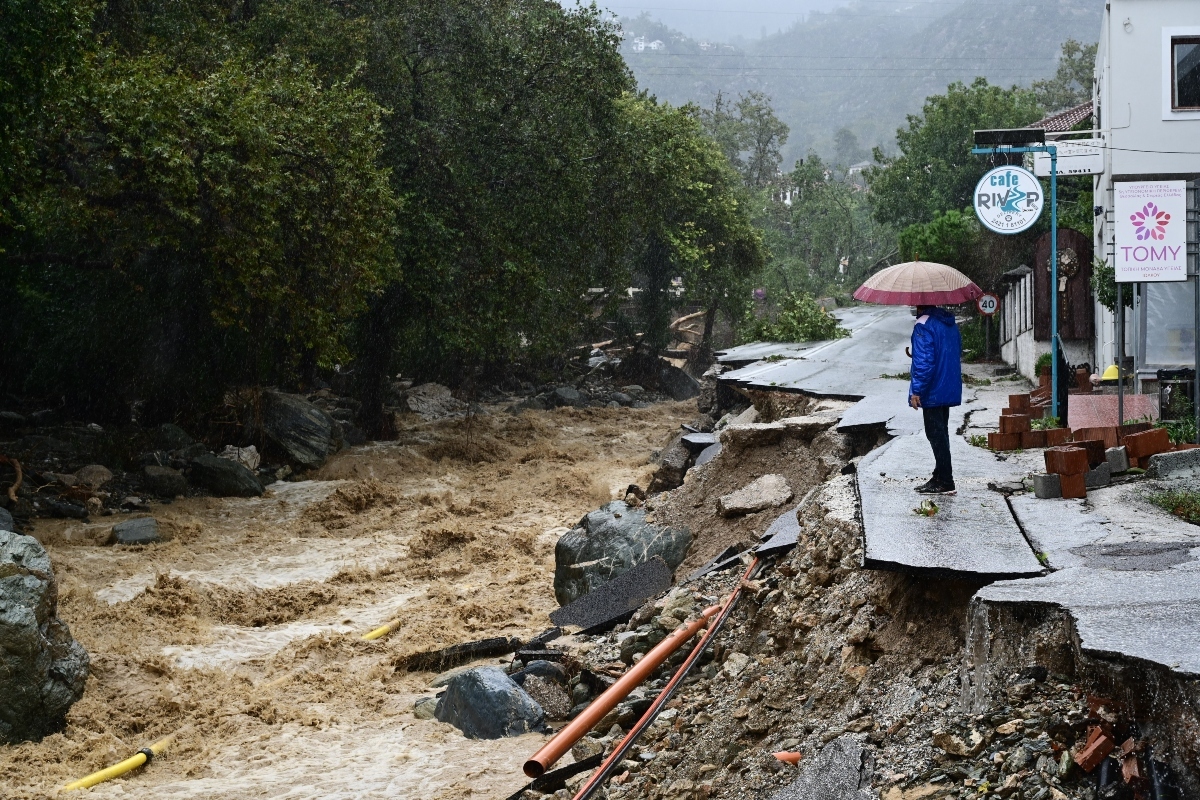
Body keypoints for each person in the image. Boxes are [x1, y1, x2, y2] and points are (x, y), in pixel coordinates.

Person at [908, 305, 962, 494]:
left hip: (932, 390)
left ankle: (946, 481)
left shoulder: (923, 325)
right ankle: (939, 475)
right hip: (947, 386)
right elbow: (951, 352)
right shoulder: (949, 323)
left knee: (935, 434)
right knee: (941, 432)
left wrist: (917, 391)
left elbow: (924, 362)